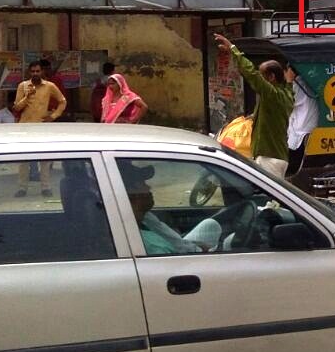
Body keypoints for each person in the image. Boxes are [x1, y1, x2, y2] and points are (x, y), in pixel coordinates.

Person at [213, 34, 293, 177]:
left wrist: (233, 49)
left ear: (271, 78)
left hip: (270, 159)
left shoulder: (272, 95)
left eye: (262, 76)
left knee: (270, 196)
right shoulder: (287, 93)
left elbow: (251, 73)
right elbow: (287, 82)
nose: (260, 79)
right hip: (277, 156)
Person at [120, 163, 221, 254]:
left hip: (184, 249)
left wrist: (196, 247)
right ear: (132, 192)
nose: (149, 187)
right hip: (186, 261)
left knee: (211, 225)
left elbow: (176, 243)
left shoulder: (145, 216)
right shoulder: (153, 246)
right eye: (142, 184)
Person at [13, 60, 66, 197]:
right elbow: (17, 107)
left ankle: (45, 187)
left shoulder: (50, 86)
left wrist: (53, 116)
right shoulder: (22, 86)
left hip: (42, 127)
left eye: (38, 71)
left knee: (44, 159)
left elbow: (62, 101)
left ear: (42, 72)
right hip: (24, 127)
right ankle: (22, 188)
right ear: (29, 72)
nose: (35, 73)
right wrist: (27, 96)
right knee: (23, 160)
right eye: (33, 71)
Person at [285, 64, 319, 176]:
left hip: (302, 130)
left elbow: (287, 102)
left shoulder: (298, 85)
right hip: (307, 127)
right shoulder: (307, 82)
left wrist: (289, 81)